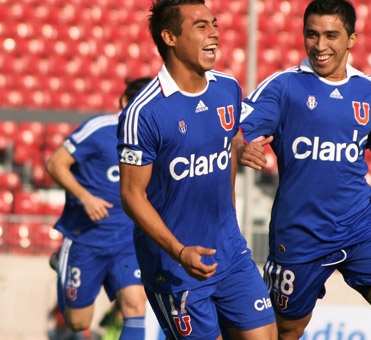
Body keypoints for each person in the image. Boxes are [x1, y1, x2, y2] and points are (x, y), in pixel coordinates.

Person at [234, 1, 371, 339]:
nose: (320, 45)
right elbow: (232, 129)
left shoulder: (370, 92)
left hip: (360, 226)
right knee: (286, 330)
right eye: (312, 35)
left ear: (351, 39)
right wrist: (242, 146)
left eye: (331, 35)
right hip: (300, 234)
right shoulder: (284, 87)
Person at [116, 1, 278, 339]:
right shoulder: (144, 113)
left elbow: (229, 138)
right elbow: (132, 196)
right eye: (201, 26)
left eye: (214, 24)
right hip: (175, 266)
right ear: (170, 37)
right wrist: (179, 250)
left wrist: (241, 148)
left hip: (230, 251)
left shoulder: (228, 88)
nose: (215, 33)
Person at [46, 77, 152, 340]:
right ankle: (63, 262)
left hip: (127, 239)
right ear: (123, 102)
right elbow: (55, 163)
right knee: (77, 321)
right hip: (86, 237)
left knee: (136, 306)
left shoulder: (155, 137)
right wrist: (86, 198)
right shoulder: (99, 128)